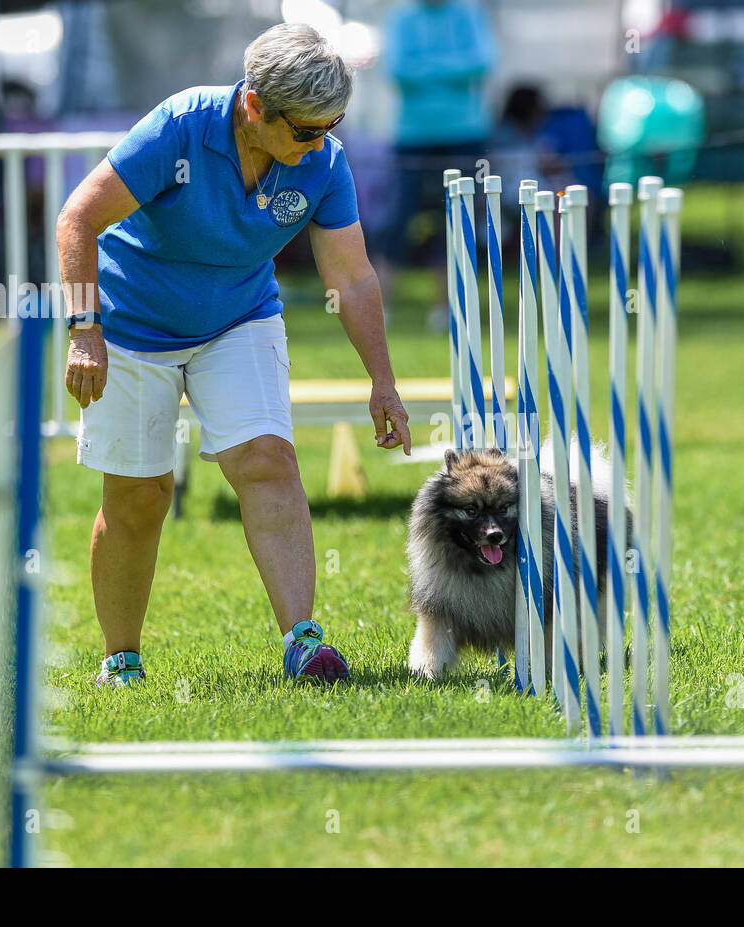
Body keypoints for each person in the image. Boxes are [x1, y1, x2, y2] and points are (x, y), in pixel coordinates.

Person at [56, 24, 412, 688]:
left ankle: (304, 641)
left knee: (269, 460)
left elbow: (353, 277)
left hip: (239, 316)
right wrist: (85, 328)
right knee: (141, 496)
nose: (318, 145)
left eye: (331, 126)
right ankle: (121, 659)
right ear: (255, 108)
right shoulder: (180, 128)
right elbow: (78, 218)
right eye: (305, 131)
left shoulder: (324, 162)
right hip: (131, 323)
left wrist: (382, 380)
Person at [378, 0, 496, 326]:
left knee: (458, 221)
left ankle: (447, 308)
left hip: (466, 133)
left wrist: (425, 69)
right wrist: (452, 70)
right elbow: (398, 70)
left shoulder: (470, 13)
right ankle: (379, 306)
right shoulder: (401, 18)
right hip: (412, 136)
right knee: (398, 220)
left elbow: (483, 63)